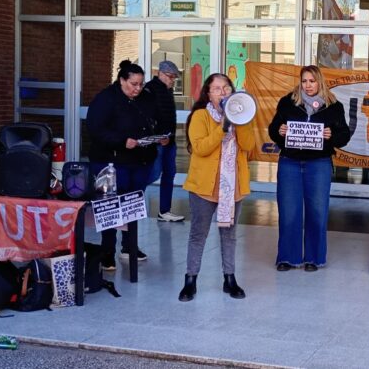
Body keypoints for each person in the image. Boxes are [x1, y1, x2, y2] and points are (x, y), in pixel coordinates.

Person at [178, 73, 255, 302]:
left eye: (226, 88)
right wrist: (223, 127)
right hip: (204, 186)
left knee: (229, 235)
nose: (222, 92)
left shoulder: (242, 114)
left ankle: (229, 278)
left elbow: (249, 146)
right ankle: (190, 279)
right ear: (208, 93)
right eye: (217, 88)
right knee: (198, 234)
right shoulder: (200, 116)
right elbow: (200, 148)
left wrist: (237, 121)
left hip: (233, 186)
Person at [268, 65, 351, 272]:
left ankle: (314, 258)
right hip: (289, 163)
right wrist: (279, 131)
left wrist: (332, 136)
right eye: (304, 81)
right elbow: (273, 130)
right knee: (289, 211)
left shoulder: (334, 106)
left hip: (319, 164)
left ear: (320, 81)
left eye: (312, 81)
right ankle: (287, 257)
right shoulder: (287, 102)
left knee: (317, 211)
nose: (308, 85)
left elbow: (344, 136)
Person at [86, 60, 167, 270]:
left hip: (140, 160)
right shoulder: (106, 99)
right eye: (133, 84)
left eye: (140, 84)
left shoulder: (146, 98)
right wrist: (122, 141)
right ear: (121, 80)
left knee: (132, 205)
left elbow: (157, 120)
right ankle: (107, 251)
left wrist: (160, 136)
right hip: (111, 162)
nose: (137, 89)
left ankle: (129, 247)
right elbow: (95, 129)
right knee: (110, 207)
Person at [145, 60, 184, 222]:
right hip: (157, 143)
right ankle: (129, 202)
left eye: (174, 77)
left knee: (169, 174)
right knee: (152, 174)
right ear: (160, 73)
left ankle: (165, 211)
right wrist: (158, 137)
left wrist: (169, 137)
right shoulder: (149, 90)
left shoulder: (168, 91)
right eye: (170, 76)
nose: (172, 80)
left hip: (170, 141)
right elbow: (147, 118)